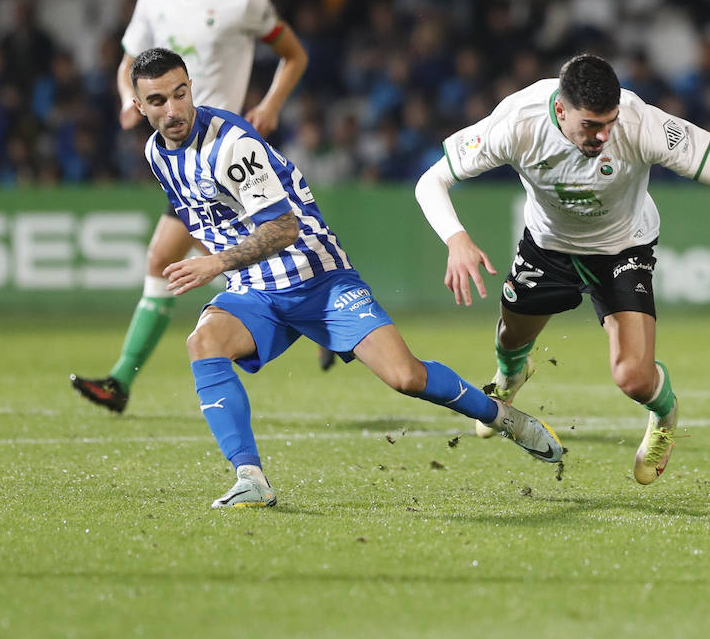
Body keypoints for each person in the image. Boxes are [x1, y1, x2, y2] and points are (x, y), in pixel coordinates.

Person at [123, 47, 562, 508]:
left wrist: (215, 264)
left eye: (179, 93)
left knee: (406, 377)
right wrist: (218, 262)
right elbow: (209, 220)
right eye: (157, 101)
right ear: (138, 106)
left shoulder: (232, 146)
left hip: (319, 279)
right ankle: (250, 477)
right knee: (203, 343)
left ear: (191, 86)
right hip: (255, 290)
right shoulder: (158, 153)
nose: (172, 110)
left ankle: (505, 418)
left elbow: (283, 227)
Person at [413, 53, 710, 485]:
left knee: (632, 377)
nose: (604, 135)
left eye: (609, 121)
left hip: (623, 248)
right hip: (548, 247)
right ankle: (511, 373)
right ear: (560, 109)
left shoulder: (641, 124)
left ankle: (664, 418)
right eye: (591, 125)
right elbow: (431, 181)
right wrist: (456, 238)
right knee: (512, 337)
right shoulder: (517, 122)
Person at [71, 0, 309, 412]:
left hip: (224, 153)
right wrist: (127, 101)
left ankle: (120, 380)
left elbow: (294, 53)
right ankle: (314, 311)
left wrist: (268, 106)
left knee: (178, 256)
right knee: (191, 257)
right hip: (182, 155)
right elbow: (130, 61)